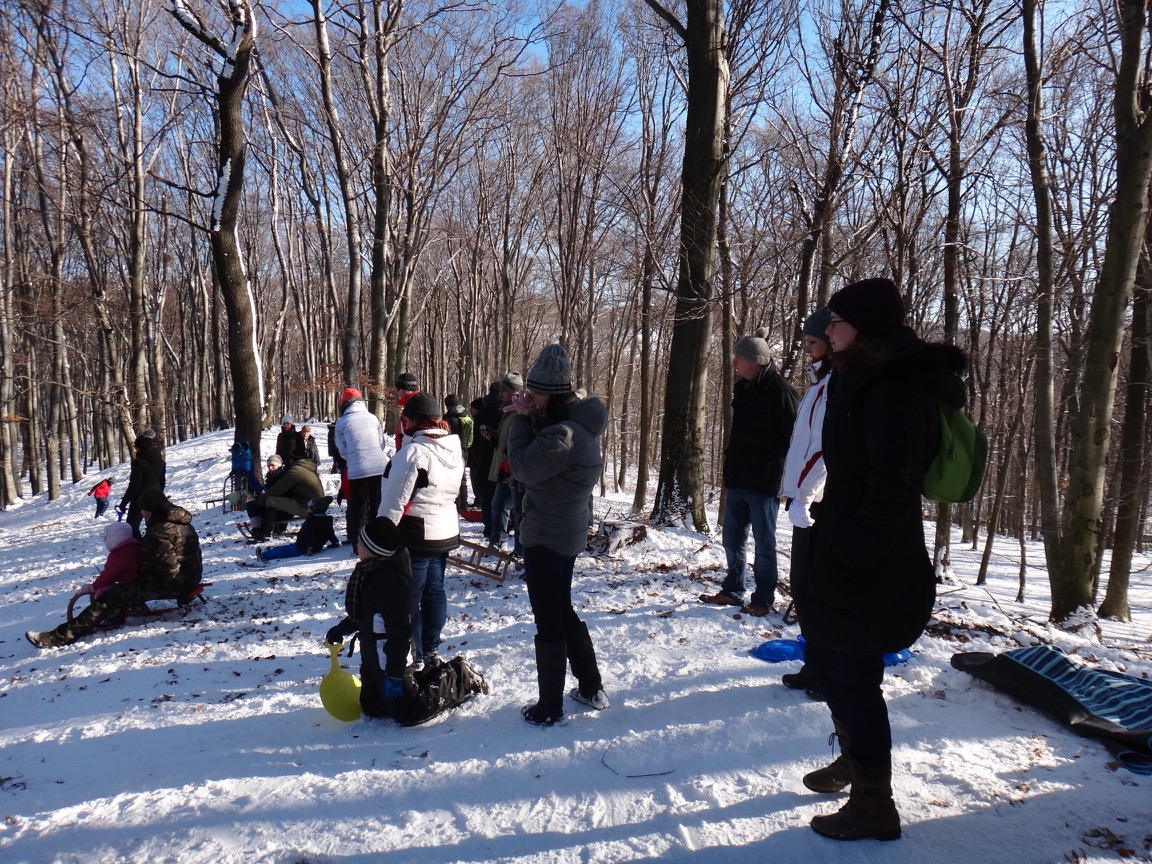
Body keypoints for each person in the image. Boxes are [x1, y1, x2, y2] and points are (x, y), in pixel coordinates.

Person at [796, 277, 966, 841]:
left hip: (875, 562)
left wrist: (848, 551)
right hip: (848, 544)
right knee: (834, 666)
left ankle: (875, 804)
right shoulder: (860, 374)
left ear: (863, 329)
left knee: (856, 676)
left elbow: (894, 488)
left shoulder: (894, 388)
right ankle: (855, 762)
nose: (828, 329)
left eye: (837, 321)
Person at [506, 344, 609, 726]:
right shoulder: (574, 425)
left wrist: (521, 420)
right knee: (562, 610)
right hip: (563, 531)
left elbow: (521, 466)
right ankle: (591, 686)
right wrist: (532, 414)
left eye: (534, 394)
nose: (528, 398)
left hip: (548, 536)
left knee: (549, 620)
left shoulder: (562, 435)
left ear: (549, 394)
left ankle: (549, 707)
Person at [325, 517, 487, 725]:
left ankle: (459, 676)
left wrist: (395, 674)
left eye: (361, 542)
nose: (356, 544)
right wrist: (343, 628)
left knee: (408, 713)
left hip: (392, 657)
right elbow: (367, 613)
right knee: (372, 707)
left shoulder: (390, 584)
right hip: (372, 655)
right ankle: (425, 678)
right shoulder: (367, 571)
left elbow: (401, 632)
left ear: (374, 550)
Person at [699, 328, 799, 616]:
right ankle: (733, 590)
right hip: (738, 478)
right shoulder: (743, 387)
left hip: (765, 483)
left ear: (755, 361)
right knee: (732, 540)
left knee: (764, 545)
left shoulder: (782, 392)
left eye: (739, 358)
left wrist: (785, 478)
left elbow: (795, 439)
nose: (734, 363)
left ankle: (763, 599)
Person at [27, 490, 202, 648]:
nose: (141, 514)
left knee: (109, 597)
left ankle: (58, 637)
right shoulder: (183, 523)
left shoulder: (159, 532)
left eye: (142, 510)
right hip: (192, 577)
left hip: (175, 583)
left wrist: (142, 579)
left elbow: (168, 570)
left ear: (149, 511)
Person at [378, 392, 464, 668]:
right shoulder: (453, 448)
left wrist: (379, 535)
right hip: (444, 530)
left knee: (410, 597)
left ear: (414, 421)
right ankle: (431, 647)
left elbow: (394, 499)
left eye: (405, 419)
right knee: (435, 591)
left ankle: (416, 653)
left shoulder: (414, 453)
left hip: (416, 533)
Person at [779, 308, 832, 697]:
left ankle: (826, 671)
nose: (808, 351)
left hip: (820, 502)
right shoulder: (819, 384)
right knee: (803, 585)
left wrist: (805, 495)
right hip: (805, 499)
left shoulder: (835, 386)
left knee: (817, 588)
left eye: (812, 343)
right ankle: (815, 664)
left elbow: (826, 448)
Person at [334, 387, 393, 552]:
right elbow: (381, 443)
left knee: (358, 508)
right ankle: (378, 541)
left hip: (357, 469)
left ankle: (359, 545)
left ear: (344, 404)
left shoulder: (342, 422)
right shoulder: (373, 418)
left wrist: (353, 458)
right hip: (379, 466)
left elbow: (341, 449)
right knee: (377, 505)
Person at [247, 448, 324, 540]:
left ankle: (265, 533)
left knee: (271, 501)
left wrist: (261, 500)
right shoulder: (308, 469)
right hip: (316, 504)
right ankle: (263, 530)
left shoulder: (296, 471)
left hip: (308, 506)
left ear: (293, 460)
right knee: (271, 501)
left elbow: (279, 488)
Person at [486, 372, 525, 552]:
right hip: (503, 470)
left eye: (504, 390)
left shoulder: (519, 413)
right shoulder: (507, 411)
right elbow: (503, 442)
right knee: (498, 506)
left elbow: (518, 443)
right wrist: (492, 436)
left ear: (513, 392)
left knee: (518, 512)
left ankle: (520, 549)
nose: (500, 393)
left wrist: (510, 462)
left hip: (513, 472)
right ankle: (498, 542)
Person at [258, 496, 341, 561]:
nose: (307, 509)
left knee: (285, 551)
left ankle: (264, 555)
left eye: (309, 507)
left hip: (303, 547)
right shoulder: (326, 520)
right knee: (288, 547)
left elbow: (309, 535)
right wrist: (335, 542)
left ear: (314, 509)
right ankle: (270, 550)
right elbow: (330, 533)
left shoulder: (312, 521)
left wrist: (309, 548)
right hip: (316, 547)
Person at [119, 430, 166, 540]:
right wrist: (160, 495)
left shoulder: (139, 463)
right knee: (155, 525)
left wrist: (124, 502)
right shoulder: (160, 462)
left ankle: (140, 547)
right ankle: (154, 545)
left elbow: (134, 485)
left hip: (141, 499)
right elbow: (162, 482)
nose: (135, 449)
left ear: (140, 448)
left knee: (132, 526)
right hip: (157, 496)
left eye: (136, 447)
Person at [468, 397, 499, 534]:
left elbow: (474, 440)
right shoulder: (503, 414)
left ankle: (489, 528)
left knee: (487, 495)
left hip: (483, 460)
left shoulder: (481, 416)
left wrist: (473, 457)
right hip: (498, 461)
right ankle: (499, 529)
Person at [443, 394, 474, 511]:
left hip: (451, 449)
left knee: (453, 476)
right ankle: (464, 504)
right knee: (463, 476)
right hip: (464, 449)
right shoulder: (466, 414)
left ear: (448, 405)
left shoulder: (448, 417)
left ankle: (456, 503)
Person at [394, 372, 420, 451]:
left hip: (410, 450)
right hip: (405, 449)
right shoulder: (409, 404)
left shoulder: (415, 405)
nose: (397, 392)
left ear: (407, 389)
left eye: (398, 389)